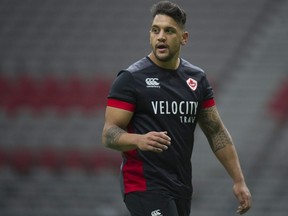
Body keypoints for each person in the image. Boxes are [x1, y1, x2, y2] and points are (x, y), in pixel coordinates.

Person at [102, 1, 252, 215]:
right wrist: (138, 140)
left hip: (180, 185)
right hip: (144, 185)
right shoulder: (130, 79)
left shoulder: (196, 79)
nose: (161, 36)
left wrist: (239, 180)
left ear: (184, 38)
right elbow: (108, 134)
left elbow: (216, 131)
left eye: (169, 31)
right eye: (156, 30)